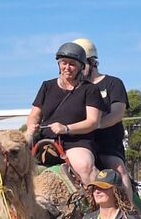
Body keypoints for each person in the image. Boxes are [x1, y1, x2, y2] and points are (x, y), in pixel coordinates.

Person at [25, 42, 106, 187]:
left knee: (84, 167)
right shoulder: (46, 86)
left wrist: (66, 128)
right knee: (15, 166)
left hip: (77, 141)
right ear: (59, 64)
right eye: (64, 63)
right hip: (45, 141)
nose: (67, 67)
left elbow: (93, 122)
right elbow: (34, 114)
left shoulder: (90, 90)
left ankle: (102, 205)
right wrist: (31, 126)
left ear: (81, 66)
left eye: (72, 64)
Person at [73, 38, 134, 201]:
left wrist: (92, 125)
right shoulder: (73, 89)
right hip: (79, 143)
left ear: (92, 62)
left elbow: (117, 114)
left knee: (118, 169)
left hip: (107, 145)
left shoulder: (113, 83)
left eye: (81, 63)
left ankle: (129, 214)